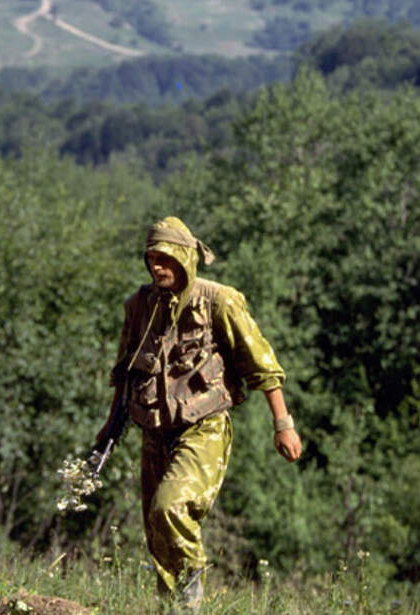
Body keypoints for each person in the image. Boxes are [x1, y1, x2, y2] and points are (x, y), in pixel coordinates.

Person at [97, 216, 302, 614]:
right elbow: (125, 373)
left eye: (167, 259)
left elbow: (262, 365)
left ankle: (193, 595)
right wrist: (109, 427)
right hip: (155, 431)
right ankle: (173, 608)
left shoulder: (219, 301)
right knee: (156, 529)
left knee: (170, 507)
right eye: (152, 258)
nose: (158, 267)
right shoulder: (139, 307)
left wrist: (283, 424)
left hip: (204, 427)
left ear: (186, 258)